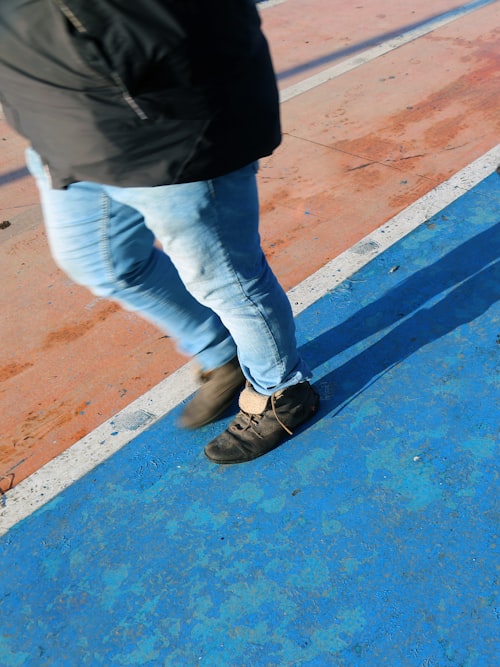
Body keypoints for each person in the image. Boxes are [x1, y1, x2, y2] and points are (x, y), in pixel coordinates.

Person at [0, 0, 319, 464]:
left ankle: (282, 391)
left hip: (167, 134)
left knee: (227, 279)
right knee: (100, 261)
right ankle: (223, 353)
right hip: (69, 131)